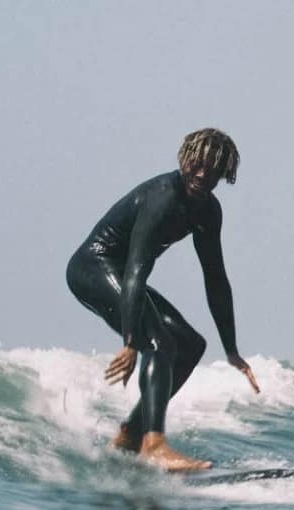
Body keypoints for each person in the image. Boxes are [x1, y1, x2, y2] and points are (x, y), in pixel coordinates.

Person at [66, 128, 261, 471]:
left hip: (124, 275)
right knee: (160, 344)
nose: (202, 174)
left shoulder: (207, 211)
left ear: (224, 173)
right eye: (197, 164)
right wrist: (130, 342)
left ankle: (129, 435)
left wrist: (231, 349)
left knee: (190, 344)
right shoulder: (163, 198)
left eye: (213, 169)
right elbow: (136, 271)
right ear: (185, 160)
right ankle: (152, 444)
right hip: (93, 268)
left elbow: (215, 278)